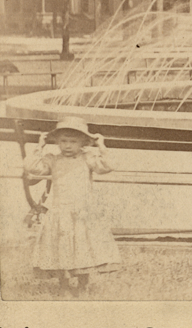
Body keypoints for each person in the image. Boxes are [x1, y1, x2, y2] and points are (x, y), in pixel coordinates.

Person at [25, 117, 120, 296]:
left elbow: (108, 166)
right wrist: (39, 146)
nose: (67, 145)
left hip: (82, 212)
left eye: (73, 141)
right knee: (61, 247)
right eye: (63, 141)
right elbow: (32, 168)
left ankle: (83, 285)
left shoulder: (87, 158)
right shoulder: (53, 160)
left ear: (83, 142)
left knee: (82, 247)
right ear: (57, 142)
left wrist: (101, 146)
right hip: (61, 211)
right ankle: (63, 285)